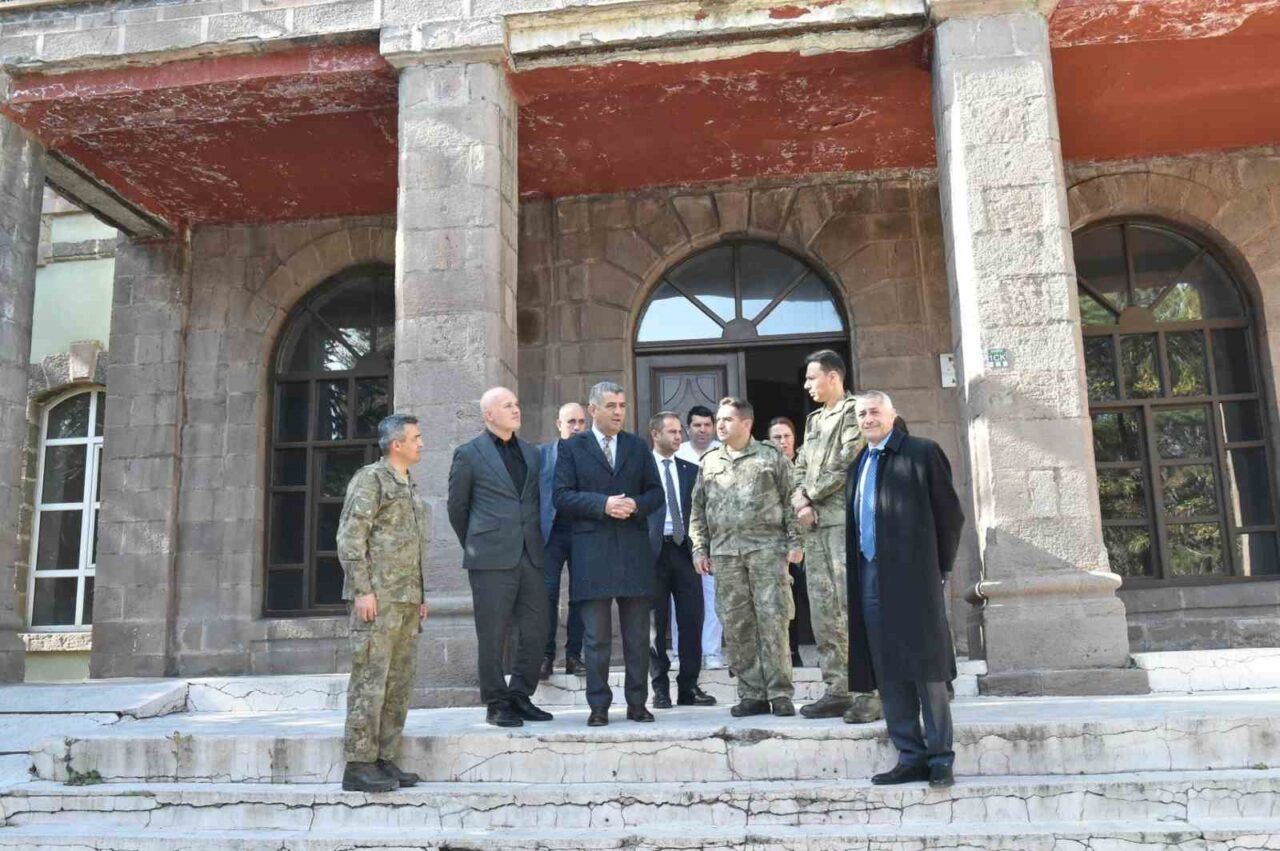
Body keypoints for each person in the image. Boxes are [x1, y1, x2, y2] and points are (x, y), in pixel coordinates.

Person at [846, 391, 965, 789]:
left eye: (875, 411)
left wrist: (940, 567)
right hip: (871, 576)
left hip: (916, 577)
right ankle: (909, 755)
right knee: (887, 667)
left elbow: (950, 514)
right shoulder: (859, 463)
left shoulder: (922, 453)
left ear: (893, 415)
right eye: (861, 413)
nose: (868, 419)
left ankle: (940, 757)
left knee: (926, 667)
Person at [554, 381, 665, 726]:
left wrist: (635, 504)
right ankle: (598, 706)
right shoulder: (572, 449)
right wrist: (602, 504)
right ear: (593, 410)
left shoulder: (636, 446)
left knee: (636, 638)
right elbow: (562, 496)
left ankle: (637, 703)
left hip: (633, 553)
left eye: (622, 405)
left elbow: (655, 493)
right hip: (592, 553)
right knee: (596, 638)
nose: (618, 412)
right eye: (611, 406)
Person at [447, 387, 554, 729]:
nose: (516, 409)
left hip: (531, 554)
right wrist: (477, 542)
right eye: (508, 405)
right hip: (490, 557)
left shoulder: (531, 452)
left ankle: (521, 696)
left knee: (537, 629)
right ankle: (496, 702)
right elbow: (457, 508)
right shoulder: (469, 454)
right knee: (493, 633)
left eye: (517, 404)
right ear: (488, 414)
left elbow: (536, 501)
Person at [689, 397, 801, 718]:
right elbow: (698, 508)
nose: (719, 425)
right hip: (725, 555)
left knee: (773, 620)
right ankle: (751, 692)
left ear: (746, 424)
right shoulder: (710, 461)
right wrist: (699, 547)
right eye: (718, 420)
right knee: (737, 624)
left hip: (767, 551)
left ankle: (779, 692)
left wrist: (796, 542)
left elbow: (792, 500)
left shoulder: (770, 457)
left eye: (726, 420)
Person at [336, 413, 430, 793]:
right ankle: (358, 764)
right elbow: (350, 538)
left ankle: (383, 758)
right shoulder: (371, 480)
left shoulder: (409, 485)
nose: (421, 443)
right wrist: (362, 590)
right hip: (377, 600)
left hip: (405, 601)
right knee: (370, 680)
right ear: (397, 444)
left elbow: (412, 546)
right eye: (416, 437)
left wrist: (420, 595)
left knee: (398, 682)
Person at [790, 350, 876, 721]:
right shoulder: (813, 421)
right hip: (813, 526)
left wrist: (809, 494)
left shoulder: (855, 411)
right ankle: (837, 688)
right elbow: (801, 464)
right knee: (824, 612)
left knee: (849, 607)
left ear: (833, 377)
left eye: (812, 378)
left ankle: (869, 692)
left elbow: (848, 460)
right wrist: (799, 499)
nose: (807, 385)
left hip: (842, 523)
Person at [647, 411, 716, 709]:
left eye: (679, 432)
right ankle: (659, 688)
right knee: (655, 623)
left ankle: (689, 686)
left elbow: (700, 513)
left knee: (692, 619)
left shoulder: (691, 469)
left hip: (685, 552)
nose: (679, 437)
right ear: (655, 434)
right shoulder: (641, 469)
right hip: (652, 554)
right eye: (672, 432)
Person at [539, 401, 588, 679]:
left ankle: (574, 656)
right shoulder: (541, 455)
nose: (577, 427)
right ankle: (546, 656)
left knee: (580, 597)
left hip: (582, 534)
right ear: (559, 425)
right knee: (546, 595)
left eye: (581, 422)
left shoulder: (594, 456)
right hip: (550, 534)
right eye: (571, 422)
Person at [675, 405, 725, 670]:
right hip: (680, 535)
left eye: (707, 425)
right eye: (697, 425)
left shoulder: (722, 452)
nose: (703, 430)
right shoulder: (678, 452)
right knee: (679, 596)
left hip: (714, 535)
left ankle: (712, 651)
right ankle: (678, 652)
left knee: (712, 594)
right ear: (688, 427)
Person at [768, 416, 811, 670]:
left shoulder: (804, 465)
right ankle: (786, 653)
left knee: (806, 598)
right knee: (783, 601)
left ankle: (800, 650)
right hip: (776, 545)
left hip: (808, 542)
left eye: (787, 436)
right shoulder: (766, 469)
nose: (783, 442)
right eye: (777, 437)